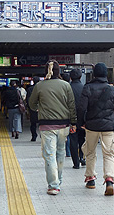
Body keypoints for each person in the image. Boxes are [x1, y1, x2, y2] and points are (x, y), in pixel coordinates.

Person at [29, 60, 76, 195]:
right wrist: (73, 123)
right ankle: (58, 181)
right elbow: (71, 106)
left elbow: (32, 104)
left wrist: (39, 109)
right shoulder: (66, 85)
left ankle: (53, 185)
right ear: (59, 71)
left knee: (49, 154)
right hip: (63, 125)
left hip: (46, 125)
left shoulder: (39, 86)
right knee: (60, 153)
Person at [77, 62, 114, 195]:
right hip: (108, 127)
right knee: (109, 154)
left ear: (94, 74)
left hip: (91, 126)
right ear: (106, 74)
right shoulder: (113, 90)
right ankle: (109, 180)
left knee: (90, 152)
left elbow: (82, 108)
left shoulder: (88, 88)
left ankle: (90, 179)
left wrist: (81, 122)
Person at [69, 68, 85, 169]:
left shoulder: (68, 88)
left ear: (71, 77)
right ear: (80, 76)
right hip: (83, 120)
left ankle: (76, 163)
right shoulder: (84, 87)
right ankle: (82, 158)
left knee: (73, 140)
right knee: (82, 140)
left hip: (71, 120)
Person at [26, 76, 40, 141]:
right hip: (41, 109)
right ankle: (42, 136)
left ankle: (34, 136)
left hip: (33, 109)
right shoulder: (42, 88)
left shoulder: (30, 89)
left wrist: (30, 107)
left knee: (33, 124)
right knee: (42, 123)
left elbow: (28, 99)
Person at [62, 73, 71, 157]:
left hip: (62, 115)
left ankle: (67, 151)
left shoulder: (60, 88)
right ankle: (69, 152)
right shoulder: (70, 87)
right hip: (70, 114)